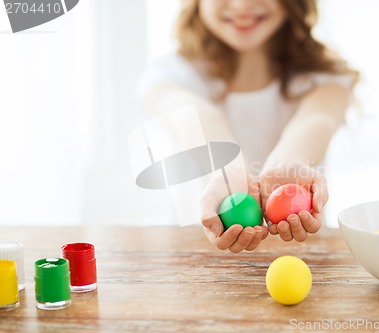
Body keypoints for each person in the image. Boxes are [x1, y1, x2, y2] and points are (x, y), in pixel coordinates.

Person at [137, 0, 359, 252]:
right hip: (193, 257)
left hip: (304, 255)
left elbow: (315, 120)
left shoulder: (326, 76)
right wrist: (227, 169)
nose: (242, 5)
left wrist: (287, 162)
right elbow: (194, 117)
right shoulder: (170, 74)